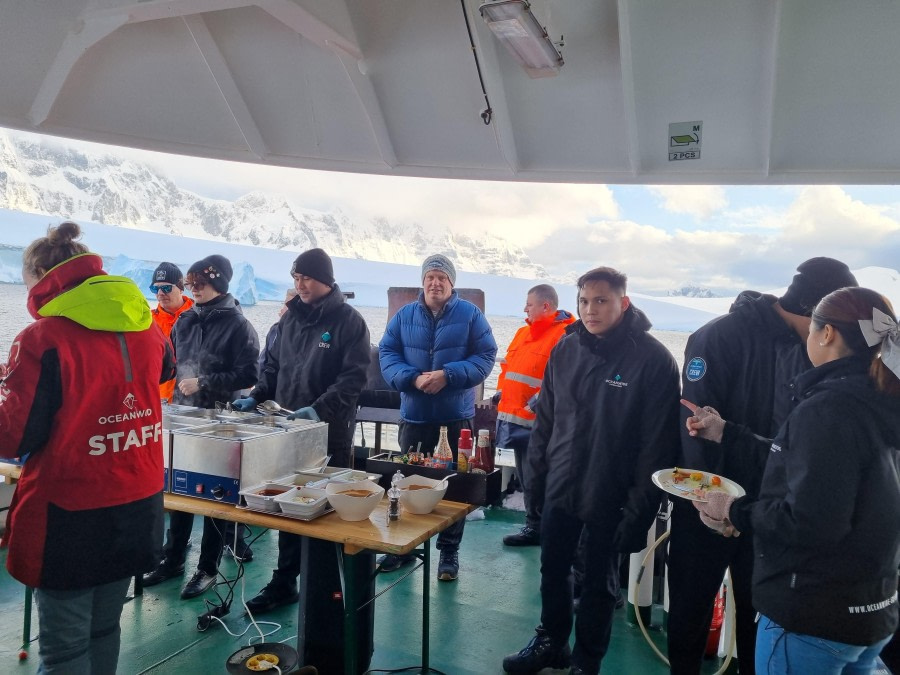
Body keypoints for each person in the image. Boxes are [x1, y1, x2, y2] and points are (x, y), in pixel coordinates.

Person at [689, 286, 900, 674]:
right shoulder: (880, 400)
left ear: (828, 334)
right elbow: (818, 466)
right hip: (872, 612)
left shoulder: (826, 409)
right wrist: (728, 433)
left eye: (811, 330)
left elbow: (812, 521)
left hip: (812, 617)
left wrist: (735, 511)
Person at [667, 257, 858, 675]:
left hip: (766, 511)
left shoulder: (811, 349)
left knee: (761, 615)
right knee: (689, 606)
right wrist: (712, 505)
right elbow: (694, 428)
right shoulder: (717, 337)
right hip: (708, 507)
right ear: (815, 314)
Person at [0, 222, 174, 673]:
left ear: (41, 275)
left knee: (63, 651)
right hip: (137, 507)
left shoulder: (43, 340)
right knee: (103, 631)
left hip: (70, 516)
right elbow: (157, 373)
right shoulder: (148, 327)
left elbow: (13, 438)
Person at [502, 266, 680, 675]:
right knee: (553, 568)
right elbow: (547, 419)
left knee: (599, 584)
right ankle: (551, 642)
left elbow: (658, 446)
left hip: (612, 492)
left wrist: (640, 512)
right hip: (562, 482)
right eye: (584, 301)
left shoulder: (653, 360)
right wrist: (539, 482)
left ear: (624, 302)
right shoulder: (566, 349)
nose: (590, 310)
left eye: (601, 300)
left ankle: (587, 661)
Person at [233, 249, 370, 614]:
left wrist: (320, 409)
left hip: (328, 433)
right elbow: (273, 368)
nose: (300, 285)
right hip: (287, 431)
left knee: (324, 509)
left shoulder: (349, 322)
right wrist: (257, 395)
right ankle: (284, 582)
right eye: (295, 278)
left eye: (306, 278)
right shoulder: (289, 321)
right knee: (287, 508)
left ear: (325, 278)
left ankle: (327, 588)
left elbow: (353, 378)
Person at [142, 254, 260, 599]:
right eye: (191, 283)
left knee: (215, 497)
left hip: (221, 420)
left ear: (218, 283)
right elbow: (172, 365)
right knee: (178, 489)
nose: (193, 289)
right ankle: (173, 558)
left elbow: (250, 375)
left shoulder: (239, 325)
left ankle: (207, 567)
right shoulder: (186, 321)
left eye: (200, 283)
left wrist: (205, 382)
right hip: (184, 414)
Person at [378, 254, 497, 581]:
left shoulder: (471, 315)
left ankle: (448, 553)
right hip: (413, 417)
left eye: (441, 278)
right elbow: (387, 354)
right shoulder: (404, 316)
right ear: (423, 281)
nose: (435, 283)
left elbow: (486, 357)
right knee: (404, 482)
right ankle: (400, 548)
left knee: (454, 488)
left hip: (455, 419)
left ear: (451, 283)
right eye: (430, 277)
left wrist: (449, 374)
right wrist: (411, 378)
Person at [496, 284, 574, 546]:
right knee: (527, 476)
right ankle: (534, 526)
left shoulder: (564, 336)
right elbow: (508, 368)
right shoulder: (522, 333)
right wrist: (500, 395)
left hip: (543, 425)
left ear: (545, 306)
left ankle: (547, 529)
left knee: (544, 477)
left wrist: (536, 404)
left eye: (529, 304)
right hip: (517, 421)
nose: (524, 308)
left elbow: (562, 378)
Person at [149, 262, 193, 403]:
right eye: (155, 289)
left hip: (194, 403)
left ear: (181, 288)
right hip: (157, 401)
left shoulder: (200, 318)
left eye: (166, 288)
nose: (160, 293)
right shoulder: (145, 321)